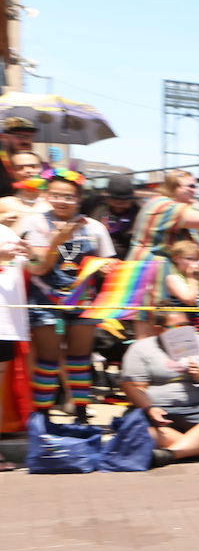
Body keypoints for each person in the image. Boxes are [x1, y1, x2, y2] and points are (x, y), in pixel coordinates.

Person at [92, 170, 199, 338]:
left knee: (163, 336)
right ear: (175, 187)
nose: (195, 190)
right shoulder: (165, 207)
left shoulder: (160, 204)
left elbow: (171, 243)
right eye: (191, 186)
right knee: (151, 339)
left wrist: (193, 254)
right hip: (149, 278)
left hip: (151, 275)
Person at [20, 169, 116, 423]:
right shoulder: (35, 223)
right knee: (47, 359)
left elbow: (109, 260)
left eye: (69, 197)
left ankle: (82, 414)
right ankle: (42, 416)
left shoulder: (95, 227)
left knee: (79, 359)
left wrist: (105, 265)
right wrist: (57, 241)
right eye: (56, 195)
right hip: (44, 299)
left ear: (78, 199)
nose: (62, 201)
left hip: (84, 300)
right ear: (47, 196)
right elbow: (38, 267)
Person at [119, 311, 199, 466]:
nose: (182, 331)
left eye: (186, 325)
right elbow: (133, 386)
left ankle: (171, 454)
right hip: (160, 410)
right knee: (138, 431)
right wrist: (149, 408)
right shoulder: (141, 348)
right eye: (176, 326)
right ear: (159, 329)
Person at [83, 174, 141, 258]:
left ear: (132, 200)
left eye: (123, 202)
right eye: (114, 201)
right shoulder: (93, 204)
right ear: (106, 198)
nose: (118, 205)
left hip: (122, 262)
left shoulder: (138, 212)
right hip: (93, 259)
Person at [0, 151, 47, 229]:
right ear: (13, 173)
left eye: (33, 166)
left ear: (42, 169)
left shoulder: (53, 202)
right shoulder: (3, 203)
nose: (27, 170)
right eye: (20, 168)